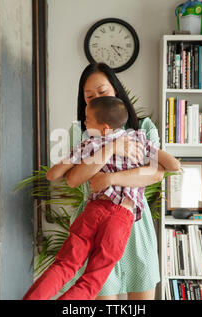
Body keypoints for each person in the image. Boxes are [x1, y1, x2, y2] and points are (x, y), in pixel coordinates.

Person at [22, 96, 180, 300]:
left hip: (94, 211)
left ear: (104, 128)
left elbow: (52, 174)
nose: (84, 123)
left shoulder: (90, 144)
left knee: (64, 265)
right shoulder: (139, 141)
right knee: (92, 280)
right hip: (120, 217)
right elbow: (173, 165)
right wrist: (149, 151)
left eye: (87, 119)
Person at [62, 63, 167, 300]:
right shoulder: (80, 132)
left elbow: (155, 174)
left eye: (102, 92)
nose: (96, 99)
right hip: (95, 225)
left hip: (135, 225)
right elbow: (76, 179)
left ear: (116, 91)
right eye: (89, 96)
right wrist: (113, 147)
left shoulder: (143, 127)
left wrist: (110, 177)